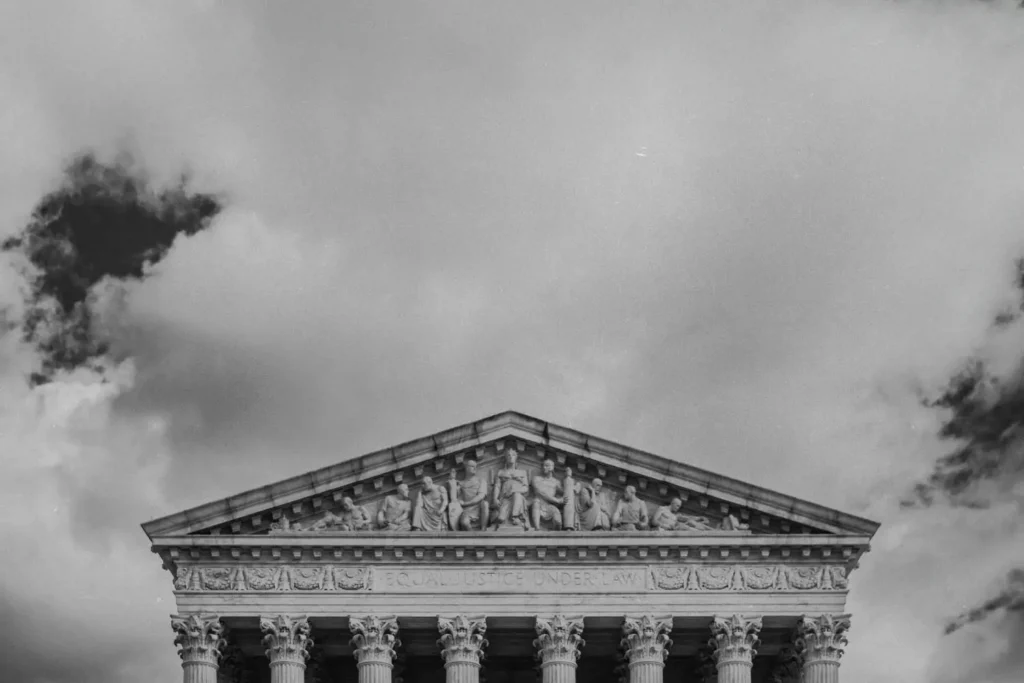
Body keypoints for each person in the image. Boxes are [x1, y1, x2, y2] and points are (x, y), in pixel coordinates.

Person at [491, 449, 530, 530]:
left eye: (513, 455)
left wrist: (515, 490)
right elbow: (497, 486)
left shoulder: (522, 472)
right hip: (504, 497)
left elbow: (526, 488)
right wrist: (495, 499)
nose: (511, 457)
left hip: (518, 497)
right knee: (501, 518)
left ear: (516, 457)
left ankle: (515, 516)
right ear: (505, 457)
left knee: (517, 495)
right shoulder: (500, 472)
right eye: (508, 455)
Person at [447, 459, 490, 531]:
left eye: (475, 466)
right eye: (472, 466)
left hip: (479, 507)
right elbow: (454, 499)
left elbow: (481, 496)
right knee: (464, 522)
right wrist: (452, 480)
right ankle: (473, 537)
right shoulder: (461, 484)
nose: (475, 468)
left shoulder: (481, 481)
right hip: (467, 510)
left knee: (485, 503)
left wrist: (466, 503)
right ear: (466, 468)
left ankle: (483, 530)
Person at [531, 459, 564, 530]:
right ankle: (537, 528)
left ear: (552, 467)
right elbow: (541, 493)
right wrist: (557, 500)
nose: (544, 468)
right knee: (536, 501)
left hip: (549, 506)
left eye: (546, 466)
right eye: (543, 466)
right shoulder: (537, 479)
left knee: (558, 521)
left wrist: (574, 487)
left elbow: (564, 492)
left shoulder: (556, 482)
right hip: (539, 504)